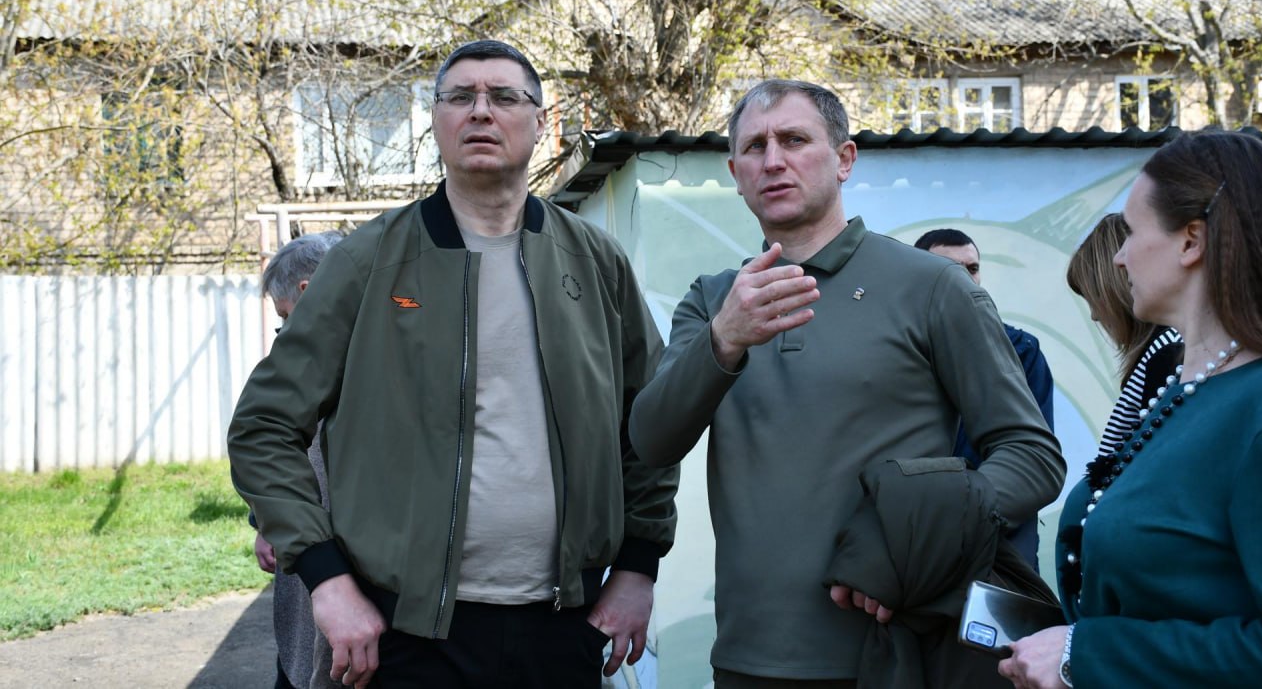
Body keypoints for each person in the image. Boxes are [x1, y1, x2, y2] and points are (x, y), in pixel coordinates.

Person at [227, 39, 679, 689]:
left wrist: (637, 566)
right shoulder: (369, 261)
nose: (480, 111)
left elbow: (653, 424)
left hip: (563, 627)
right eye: (460, 97)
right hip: (406, 635)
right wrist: (326, 581)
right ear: (436, 121)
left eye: (504, 96)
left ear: (541, 122)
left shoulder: (594, 262)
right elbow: (264, 425)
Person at [629, 79, 1065, 687]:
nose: (772, 160)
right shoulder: (714, 299)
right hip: (747, 655)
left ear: (844, 159)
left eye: (794, 140)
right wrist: (724, 338)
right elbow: (651, 441)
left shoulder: (932, 285)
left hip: (895, 656)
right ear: (735, 174)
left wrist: (917, 533)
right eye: (754, 147)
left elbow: (1032, 455)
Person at [999, 131, 1262, 688]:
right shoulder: (1183, 389)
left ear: (1191, 241)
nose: (1119, 256)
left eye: (1130, 231)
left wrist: (1086, 655)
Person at [914, 228, 1056, 568]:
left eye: (972, 268)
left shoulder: (1022, 351)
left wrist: (962, 518)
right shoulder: (898, 352)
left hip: (1000, 539)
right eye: (950, 270)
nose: (965, 279)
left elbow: (1031, 458)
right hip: (914, 539)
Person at [252, 230, 344, 689]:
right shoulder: (298, 360)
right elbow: (268, 444)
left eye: (284, 317)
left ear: (307, 292)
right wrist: (265, 521)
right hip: (306, 556)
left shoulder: (354, 355)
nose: (283, 332)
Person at [1066, 214, 1182, 456]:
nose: (1094, 316)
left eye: (1093, 299)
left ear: (1114, 289)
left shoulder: (1168, 355)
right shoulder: (1163, 350)